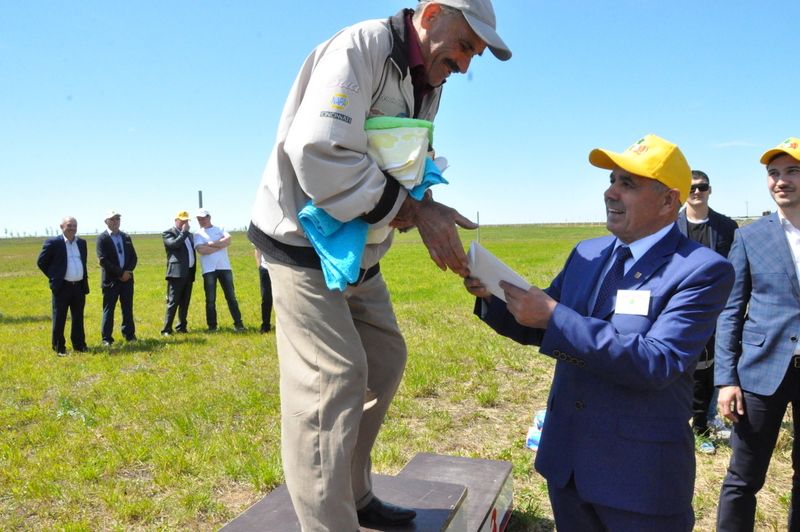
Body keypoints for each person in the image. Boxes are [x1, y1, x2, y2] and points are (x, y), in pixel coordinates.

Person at [247, 1, 511, 529]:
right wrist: (412, 210)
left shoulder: (428, 81)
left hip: (360, 249)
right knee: (333, 380)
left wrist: (429, 200)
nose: (464, 66)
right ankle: (329, 522)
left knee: (385, 360)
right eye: (464, 47)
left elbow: (400, 154)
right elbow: (319, 150)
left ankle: (352, 489)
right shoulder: (362, 46)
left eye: (473, 56)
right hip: (304, 245)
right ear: (432, 14)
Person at [465, 134, 734, 531]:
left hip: (639, 480)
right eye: (611, 180)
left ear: (668, 201)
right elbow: (543, 330)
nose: (611, 193)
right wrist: (493, 296)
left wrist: (554, 316)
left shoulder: (701, 269)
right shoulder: (587, 254)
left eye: (628, 184)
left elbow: (656, 362)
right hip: (569, 466)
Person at [715, 137, 800, 531]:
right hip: (762, 373)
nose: (781, 181)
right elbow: (730, 311)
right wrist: (727, 379)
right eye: (774, 174)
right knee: (743, 478)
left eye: (792, 172)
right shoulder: (750, 237)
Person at [677, 170, 739, 454]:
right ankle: (677, 419)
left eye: (702, 187)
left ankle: (702, 424)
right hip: (679, 308)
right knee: (678, 365)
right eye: (691, 188)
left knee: (709, 367)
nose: (697, 192)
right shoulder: (669, 225)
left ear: (710, 190)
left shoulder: (727, 227)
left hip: (718, 309)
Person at [36, 216, 90, 356]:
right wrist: (54, 276)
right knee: (59, 317)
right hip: (62, 287)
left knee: (78, 317)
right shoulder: (54, 243)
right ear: (61, 226)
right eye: (69, 225)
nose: (72, 228)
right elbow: (41, 262)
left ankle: (79, 345)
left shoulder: (82, 243)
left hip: (78, 286)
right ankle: (59, 347)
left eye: (74, 226)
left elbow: (82, 262)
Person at [193, 208, 244, 332]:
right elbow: (201, 250)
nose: (201, 221)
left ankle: (238, 324)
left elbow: (228, 240)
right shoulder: (197, 234)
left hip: (224, 267)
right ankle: (212, 326)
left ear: (209, 217)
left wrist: (210, 244)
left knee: (231, 297)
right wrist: (219, 245)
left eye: (203, 218)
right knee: (210, 299)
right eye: (199, 219)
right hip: (208, 270)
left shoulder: (220, 228)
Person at [96, 210, 138, 345]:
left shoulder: (126, 237)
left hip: (127, 280)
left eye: (117, 219)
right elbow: (103, 260)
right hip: (111, 281)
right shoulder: (102, 238)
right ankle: (107, 338)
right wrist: (120, 274)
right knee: (109, 309)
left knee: (127, 308)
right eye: (112, 219)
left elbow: (133, 257)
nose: (115, 222)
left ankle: (129, 335)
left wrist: (127, 272)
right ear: (106, 222)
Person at [161, 211, 196, 336]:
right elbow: (174, 245)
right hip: (176, 273)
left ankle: (181, 326)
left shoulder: (190, 236)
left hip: (189, 272)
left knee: (185, 302)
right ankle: (166, 329)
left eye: (186, 221)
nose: (184, 223)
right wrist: (184, 233)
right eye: (182, 220)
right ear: (176, 220)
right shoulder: (168, 233)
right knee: (173, 302)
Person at [254, 247, 273, 333]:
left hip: (281, 268)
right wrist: (260, 267)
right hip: (265, 269)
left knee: (282, 298)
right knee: (266, 297)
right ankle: (265, 325)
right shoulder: (262, 232)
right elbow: (258, 249)